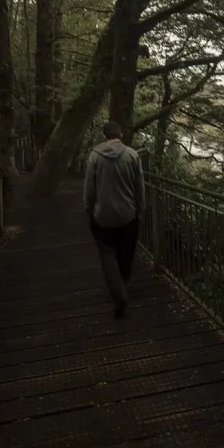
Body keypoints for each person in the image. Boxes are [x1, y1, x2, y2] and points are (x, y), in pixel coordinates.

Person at [84, 121, 145, 319]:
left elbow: (89, 190)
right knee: (126, 254)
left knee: (107, 255)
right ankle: (123, 286)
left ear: (104, 136)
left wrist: (89, 209)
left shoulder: (95, 156)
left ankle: (119, 294)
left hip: (102, 216)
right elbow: (139, 187)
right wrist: (140, 209)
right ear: (120, 135)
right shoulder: (132, 155)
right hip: (128, 215)